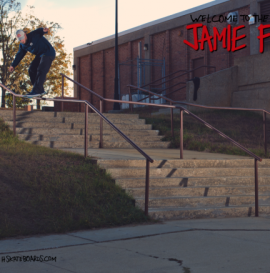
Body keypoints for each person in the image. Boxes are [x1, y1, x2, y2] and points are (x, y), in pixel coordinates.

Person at [8, 28, 56, 97]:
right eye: (20, 40)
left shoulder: (33, 35)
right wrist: (13, 65)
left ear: (25, 34)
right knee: (31, 69)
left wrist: (43, 30)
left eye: (22, 38)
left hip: (48, 53)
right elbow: (19, 55)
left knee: (41, 70)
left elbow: (39, 31)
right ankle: (39, 90)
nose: (22, 41)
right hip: (40, 55)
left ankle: (36, 90)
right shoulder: (22, 46)